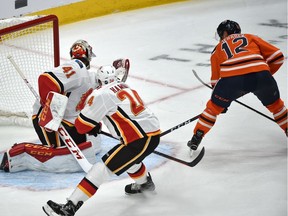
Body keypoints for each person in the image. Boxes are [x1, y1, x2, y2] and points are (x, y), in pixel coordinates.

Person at [42, 65, 161, 216]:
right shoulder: (125, 86)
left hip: (139, 139)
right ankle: (145, 184)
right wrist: (95, 123)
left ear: (99, 80)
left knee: (101, 168)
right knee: (129, 161)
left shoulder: (100, 94)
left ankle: (69, 207)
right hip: (151, 134)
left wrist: (88, 116)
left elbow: (81, 127)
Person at [0, 40, 130, 173]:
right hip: (46, 120)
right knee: (67, 162)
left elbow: (101, 91)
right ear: (88, 55)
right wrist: (50, 109)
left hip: (66, 121)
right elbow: (46, 79)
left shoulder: (90, 77)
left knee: (92, 147)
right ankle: (20, 154)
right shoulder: (77, 67)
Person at [187, 20, 287, 151]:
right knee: (276, 106)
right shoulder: (251, 37)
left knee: (213, 108)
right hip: (262, 77)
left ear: (225, 33)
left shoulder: (217, 49)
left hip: (231, 81)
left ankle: (197, 137)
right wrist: (263, 74)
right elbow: (278, 56)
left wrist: (221, 103)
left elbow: (216, 83)